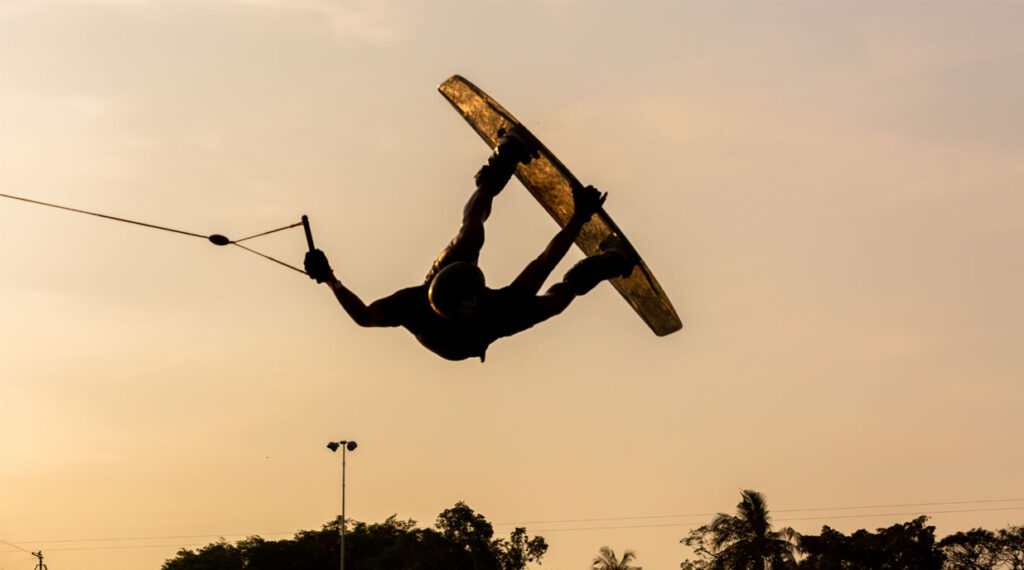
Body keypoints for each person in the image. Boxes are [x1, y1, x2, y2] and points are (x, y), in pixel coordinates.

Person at [304, 126, 636, 362]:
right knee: (555, 302)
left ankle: (503, 159)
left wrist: (329, 278)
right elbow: (543, 264)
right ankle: (604, 264)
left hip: (457, 291)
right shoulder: (475, 314)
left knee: (471, 234)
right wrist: (580, 217)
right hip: (469, 339)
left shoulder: (421, 295)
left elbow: (363, 315)